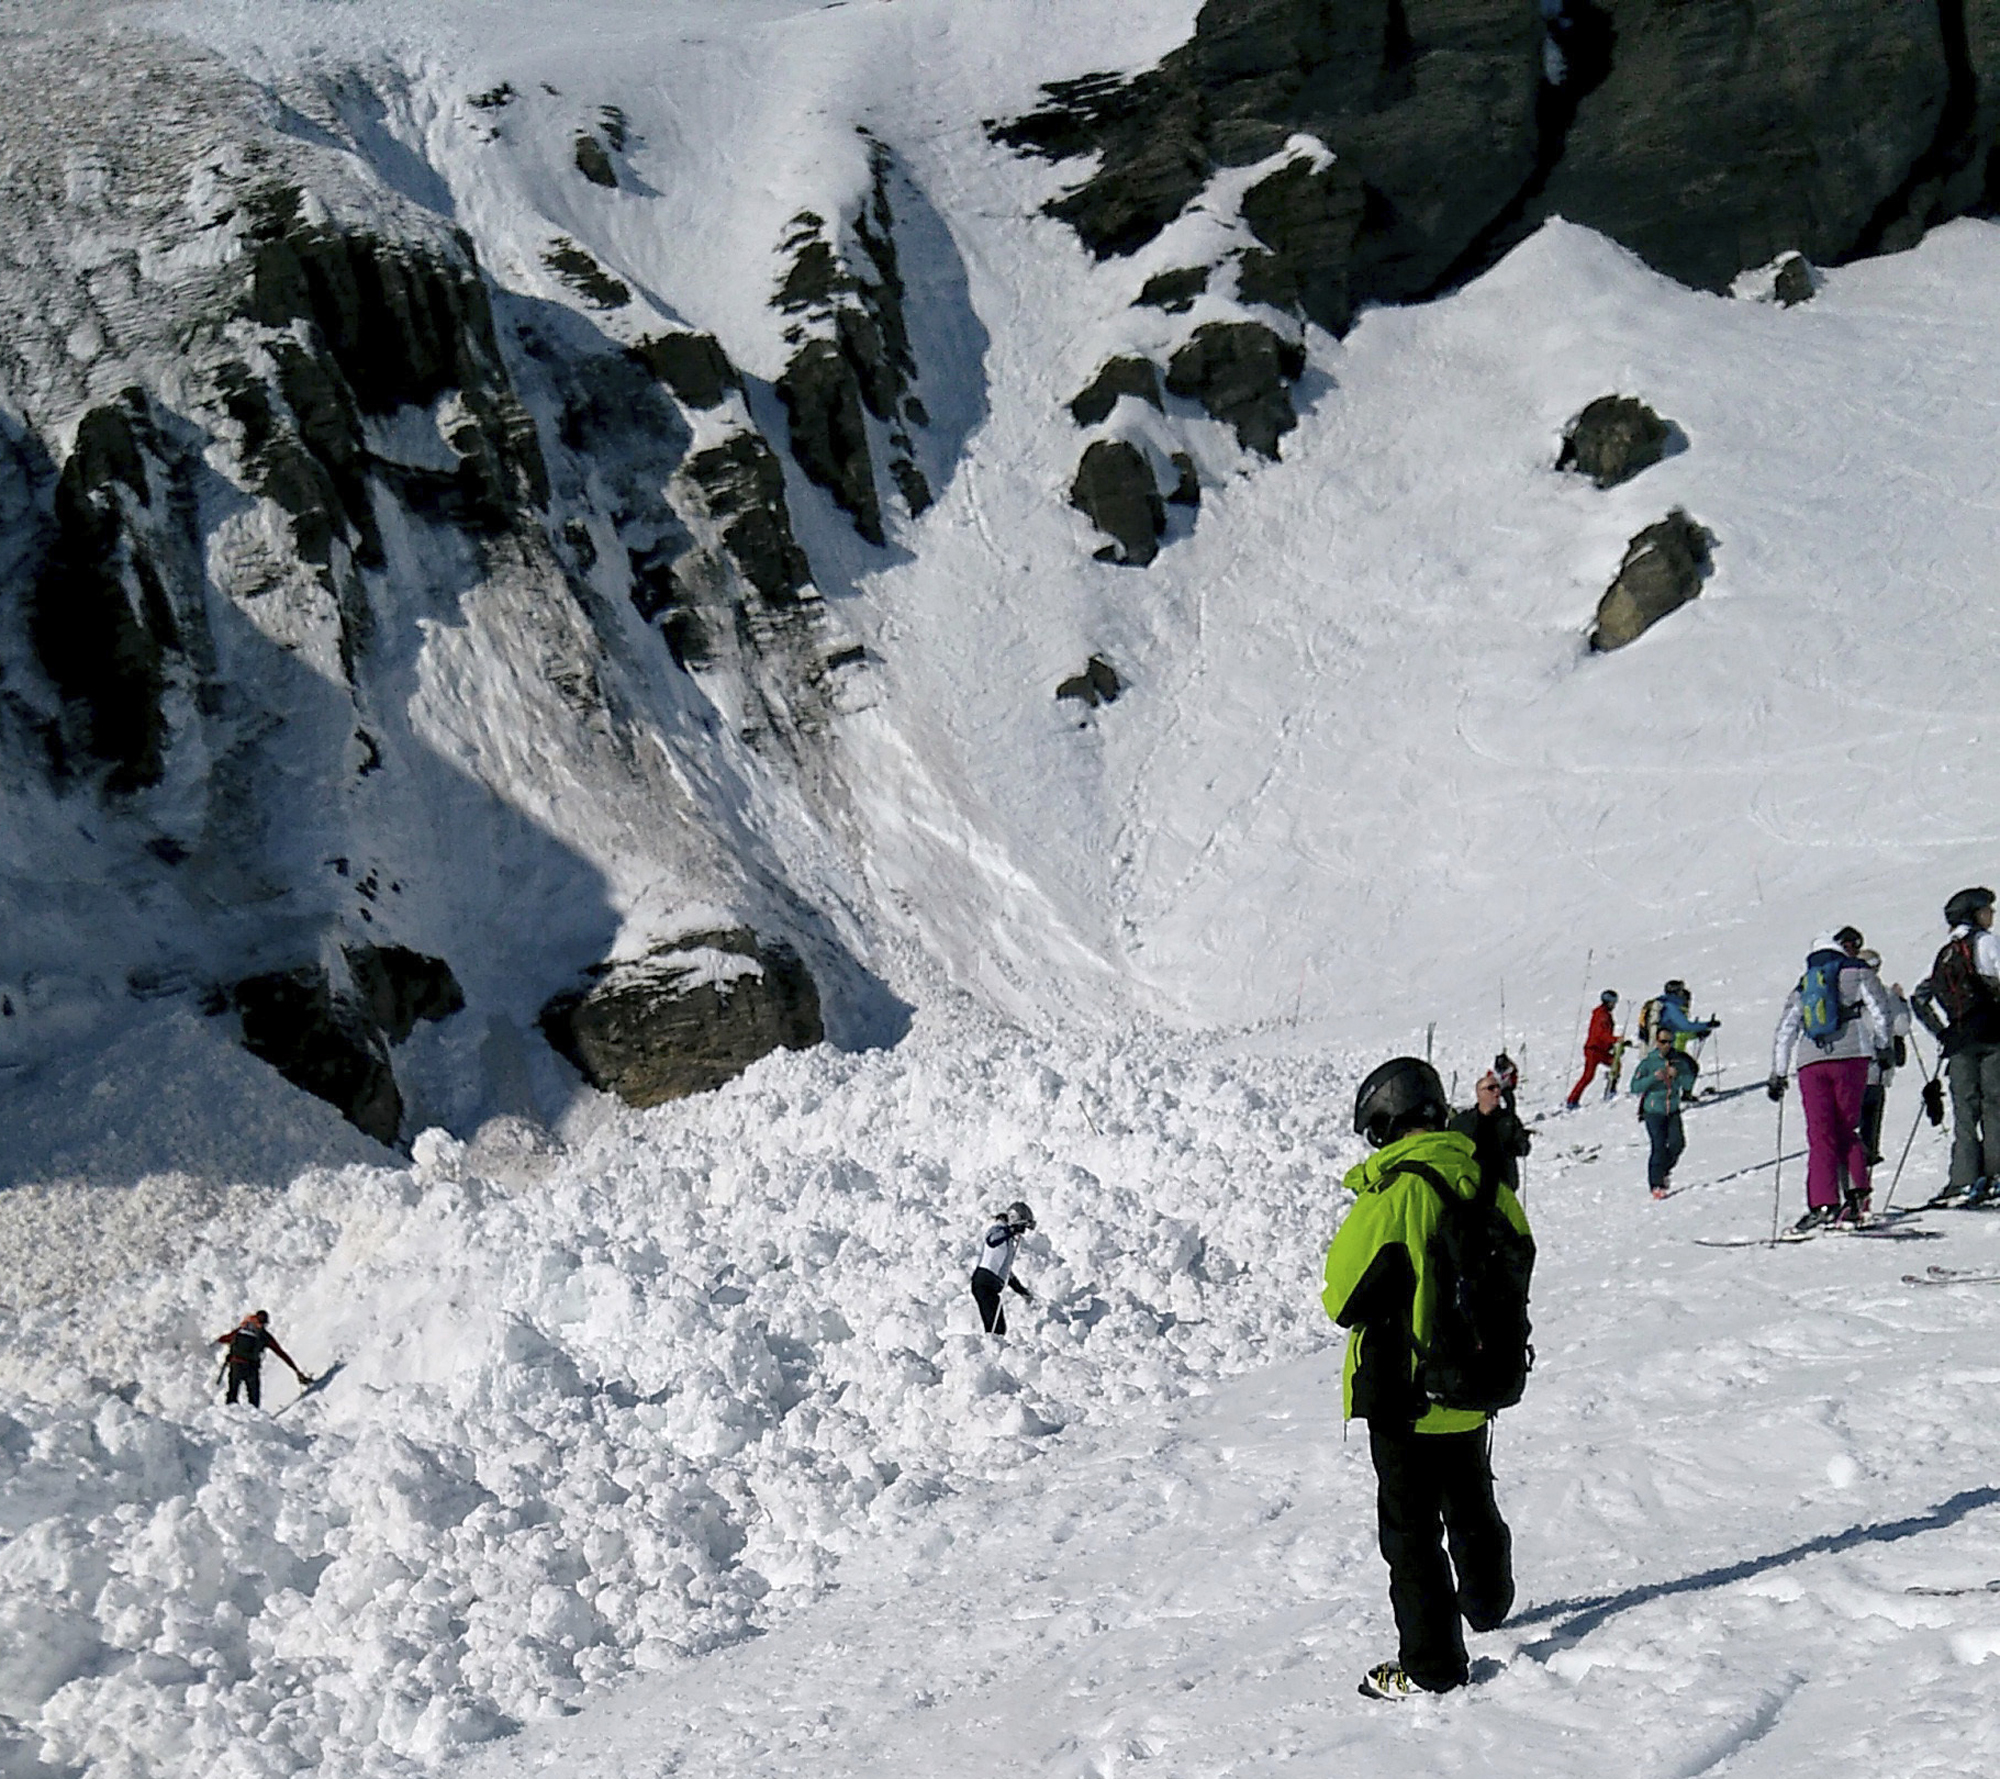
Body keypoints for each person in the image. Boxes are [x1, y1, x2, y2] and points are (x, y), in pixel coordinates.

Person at [1322, 1058, 1529, 1700]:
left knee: (1411, 1538)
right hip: (1472, 1389)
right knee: (1472, 1504)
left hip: (1406, 1397)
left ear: (1384, 1123)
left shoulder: (1397, 1191)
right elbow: (1520, 1255)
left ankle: (1432, 1667)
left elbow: (1342, 1296)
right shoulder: (1485, 1178)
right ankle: (1489, 1604)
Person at [1768, 926, 1894, 1230]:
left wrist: (1778, 1073)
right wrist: (1884, 1045)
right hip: (1852, 1057)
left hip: (1811, 1061)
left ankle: (1823, 1204)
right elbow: (1881, 1011)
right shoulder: (1858, 972)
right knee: (1847, 1128)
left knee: (1820, 1134)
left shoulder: (1805, 984)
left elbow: (1786, 1030)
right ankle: (1856, 1198)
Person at [1912, 887, 2000, 1204]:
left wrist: (1943, 1032)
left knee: (1965, 1112)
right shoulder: (1986, 942)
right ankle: (1996, 1175)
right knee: (1995, 1106)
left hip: (1959, 1042)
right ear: (1973, 913)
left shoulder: (1945, 952)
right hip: (1992, 1037)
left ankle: (1962, 1179)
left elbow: (1917, 996)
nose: (1992, 914)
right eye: (1987, 909)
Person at [1855, 948, 1911, 1167]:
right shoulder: (1885, 994)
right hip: (1877, 1065)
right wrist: (1901, 1002)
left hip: (1847, 1063)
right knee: (1871, 1113)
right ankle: (1868, 1153)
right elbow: (1901, 1026)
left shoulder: (1844, 992)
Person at [1629, 1025, 1697, 1197]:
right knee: (1658, 1147)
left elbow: (1688, 1083)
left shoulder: (1679, 1060)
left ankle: (1663, 1171)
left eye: (1670, 1041)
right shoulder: (1648, 1063)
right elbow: (1635, 1087)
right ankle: (1656, 1184)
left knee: (1678, 1143)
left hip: (1672, 1109)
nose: (1667, 1045)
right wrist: (1654, 1078)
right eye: (1663, 1041)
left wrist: (1679, 1075)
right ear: (1657, 1042)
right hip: (1653, 1111)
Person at [1452, 1052, 1531, 1193]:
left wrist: (1521, 1142)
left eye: (1497, 1088)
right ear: (1479, 1093)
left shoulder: (1509, 1120)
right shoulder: (1463, 1121)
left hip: (1504, 1187)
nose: (1496, 1092)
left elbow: (1523, 1149)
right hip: (1472, 1187)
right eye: (1490, 1088)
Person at [213, 1310, 308, 1408]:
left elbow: (224, 1339)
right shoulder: (264, 1336)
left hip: (236, 1365)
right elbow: (280, 1353)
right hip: (251, 1368)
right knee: (254, 1398)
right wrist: (296, 1370)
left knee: (232, 1394)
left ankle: (230, 1416)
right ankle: (254, 1418)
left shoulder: (241, 1330)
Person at [970, 1201, 1036, 1333]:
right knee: (995, 1329)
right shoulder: (998, 1230)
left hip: (992, 1287)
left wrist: (1022, 1291)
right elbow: (992, 1240)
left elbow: (1006, 1273)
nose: (1022, 1232)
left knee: (999, 1328)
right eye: (1021, 1227)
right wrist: (1011, 1230)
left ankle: (993, 1348)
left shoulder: (1008, 1240)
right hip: (984, 1283)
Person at [1566, 991, 1621, 1108]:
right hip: (1593, 1050)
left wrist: (1612, 1044)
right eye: (1613, 1003)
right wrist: (1615, 1040)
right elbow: (1600, 1034)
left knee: (1616, 1064)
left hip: (1601, 1050)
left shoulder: (1605, 1014)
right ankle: (1572, 1100)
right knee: (1588, 1076)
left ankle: (1611, 1089)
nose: (1614, 1005)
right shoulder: (1601, 1016)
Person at [1653, 980, 1719, 1054]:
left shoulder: (1665, 1004)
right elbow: (1685, 1027)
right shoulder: (1670, 1007)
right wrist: (1707, 1025)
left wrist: (1696, 1034)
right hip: (1668, 1050)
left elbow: (1679, 1030)